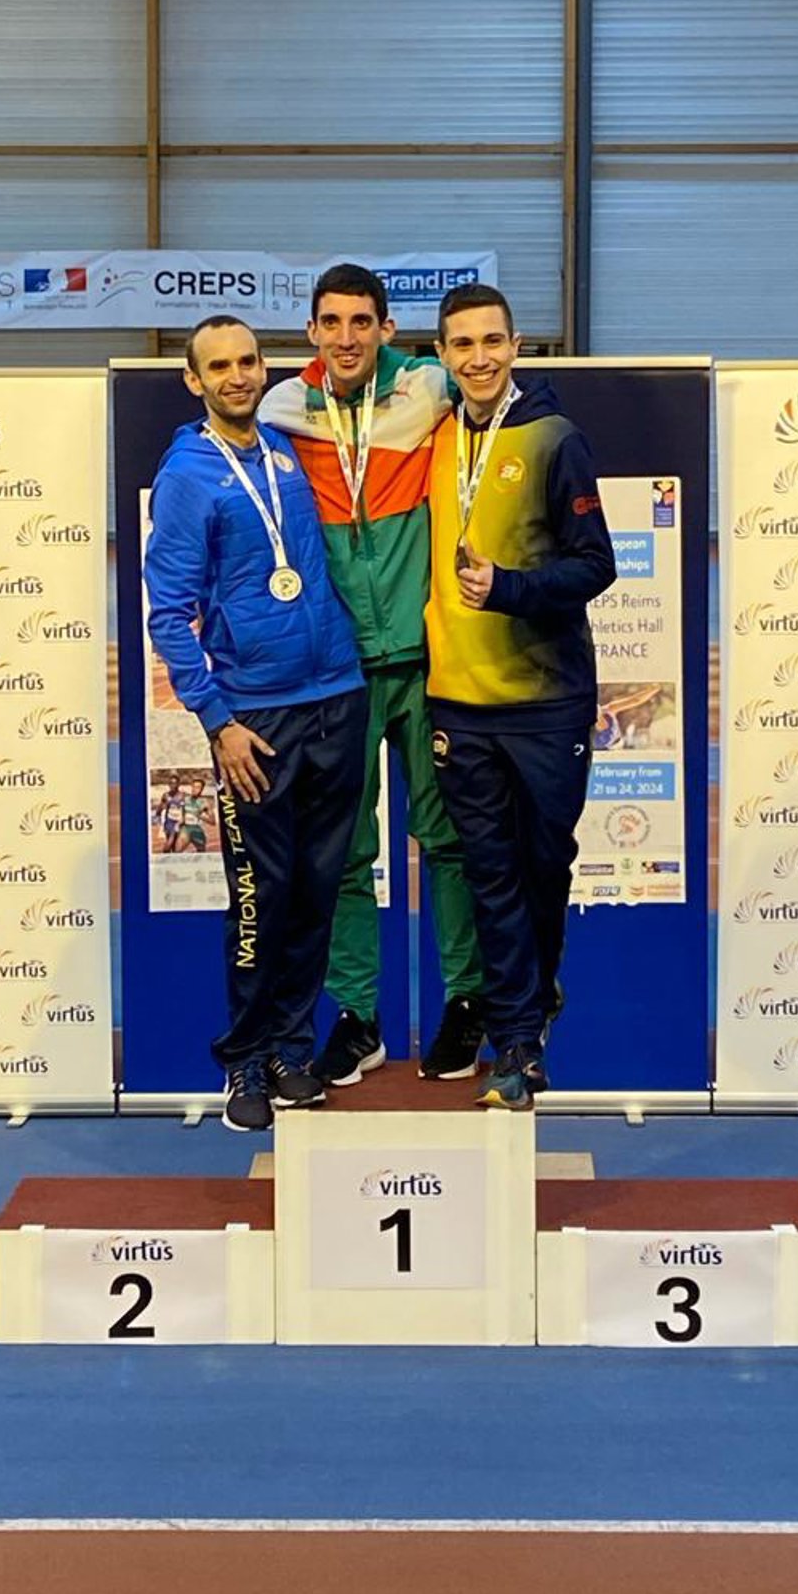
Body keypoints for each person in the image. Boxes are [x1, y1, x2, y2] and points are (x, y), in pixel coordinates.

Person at [260, 265, 489, 1087]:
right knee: (345, 854)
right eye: (331, 322)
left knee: (449, 840)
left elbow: (492, 394)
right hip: (338, 676)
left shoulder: (426, 388)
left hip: (427, 663)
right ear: (311, 331)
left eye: (362, 322)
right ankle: (358, 1018)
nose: (347, 337)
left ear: (388, 329)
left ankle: (466, 1002)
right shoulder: (283, 408)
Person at [144, 315, 370, 1133]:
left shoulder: (282, 450)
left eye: (247, 361)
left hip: (336, 697)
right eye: (219, 367)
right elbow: (168, 613)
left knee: (316, 893)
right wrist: (219, 720)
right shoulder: (186, 476)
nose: (237, 376)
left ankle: (289, 1049)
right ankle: (243, 1058)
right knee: (259, 898)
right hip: (257, 719)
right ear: (194, 381)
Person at [425, 283, 616, 1110]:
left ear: (516, 346)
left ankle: (534, 1001)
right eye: (463, 345)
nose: (479, 358)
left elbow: (596, 565)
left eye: (492, 342)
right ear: (442, 356)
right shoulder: (433, 435)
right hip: (457, 702)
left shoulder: (553, 438)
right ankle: (518, 1045)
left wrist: (508, 587)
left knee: (541, 870)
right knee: (489, 878)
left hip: (545, 701)